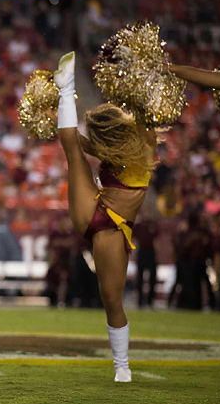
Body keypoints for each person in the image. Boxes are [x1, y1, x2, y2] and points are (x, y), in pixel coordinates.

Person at [53, 52, 160, 383]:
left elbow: (143, 118)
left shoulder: (137, 150)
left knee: (111, 300)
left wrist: (138, 78)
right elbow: (72, 138)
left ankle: (122, 364)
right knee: (72, 151)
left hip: (110, 228)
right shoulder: (133, 149)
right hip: (102, 222)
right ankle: (66, 85)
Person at [132, 218, 159, 308]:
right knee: (140, 277)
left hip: (150, 252)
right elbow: (135, 240)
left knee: (152, 277)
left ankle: (150, 300)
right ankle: (140, 300)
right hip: (142, 252)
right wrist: (134, 254)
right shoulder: (139, 226)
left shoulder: (153, 224)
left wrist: (156, 254)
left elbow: (156, 241)